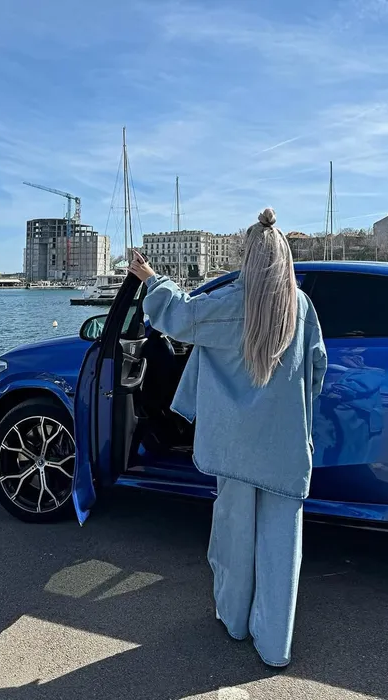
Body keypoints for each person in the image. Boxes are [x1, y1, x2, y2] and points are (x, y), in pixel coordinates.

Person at [128, 208, 327, 667]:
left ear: (248, 258)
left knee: (235, 538)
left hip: (237, 448)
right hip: (285, 447)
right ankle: (275, 646)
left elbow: (180, 316)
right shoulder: (302, 307)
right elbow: (317, 370)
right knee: (282, 548)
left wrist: (151, 278)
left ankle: (235, 621)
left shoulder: (231, 302)